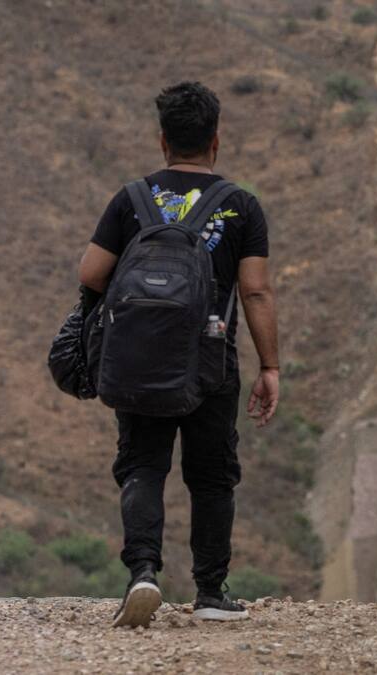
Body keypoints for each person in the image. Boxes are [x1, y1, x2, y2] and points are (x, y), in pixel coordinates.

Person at [77, 82, 279, 626]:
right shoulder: (240, 206)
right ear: (216, 141)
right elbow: (256, 292)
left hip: (139, 358)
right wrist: (270, 366)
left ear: (162, 140)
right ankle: (211, 592)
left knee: (143, 465)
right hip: (211, 361)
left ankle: (143, 573)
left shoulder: (131, 199)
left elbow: (91, 274)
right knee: (211, 476)